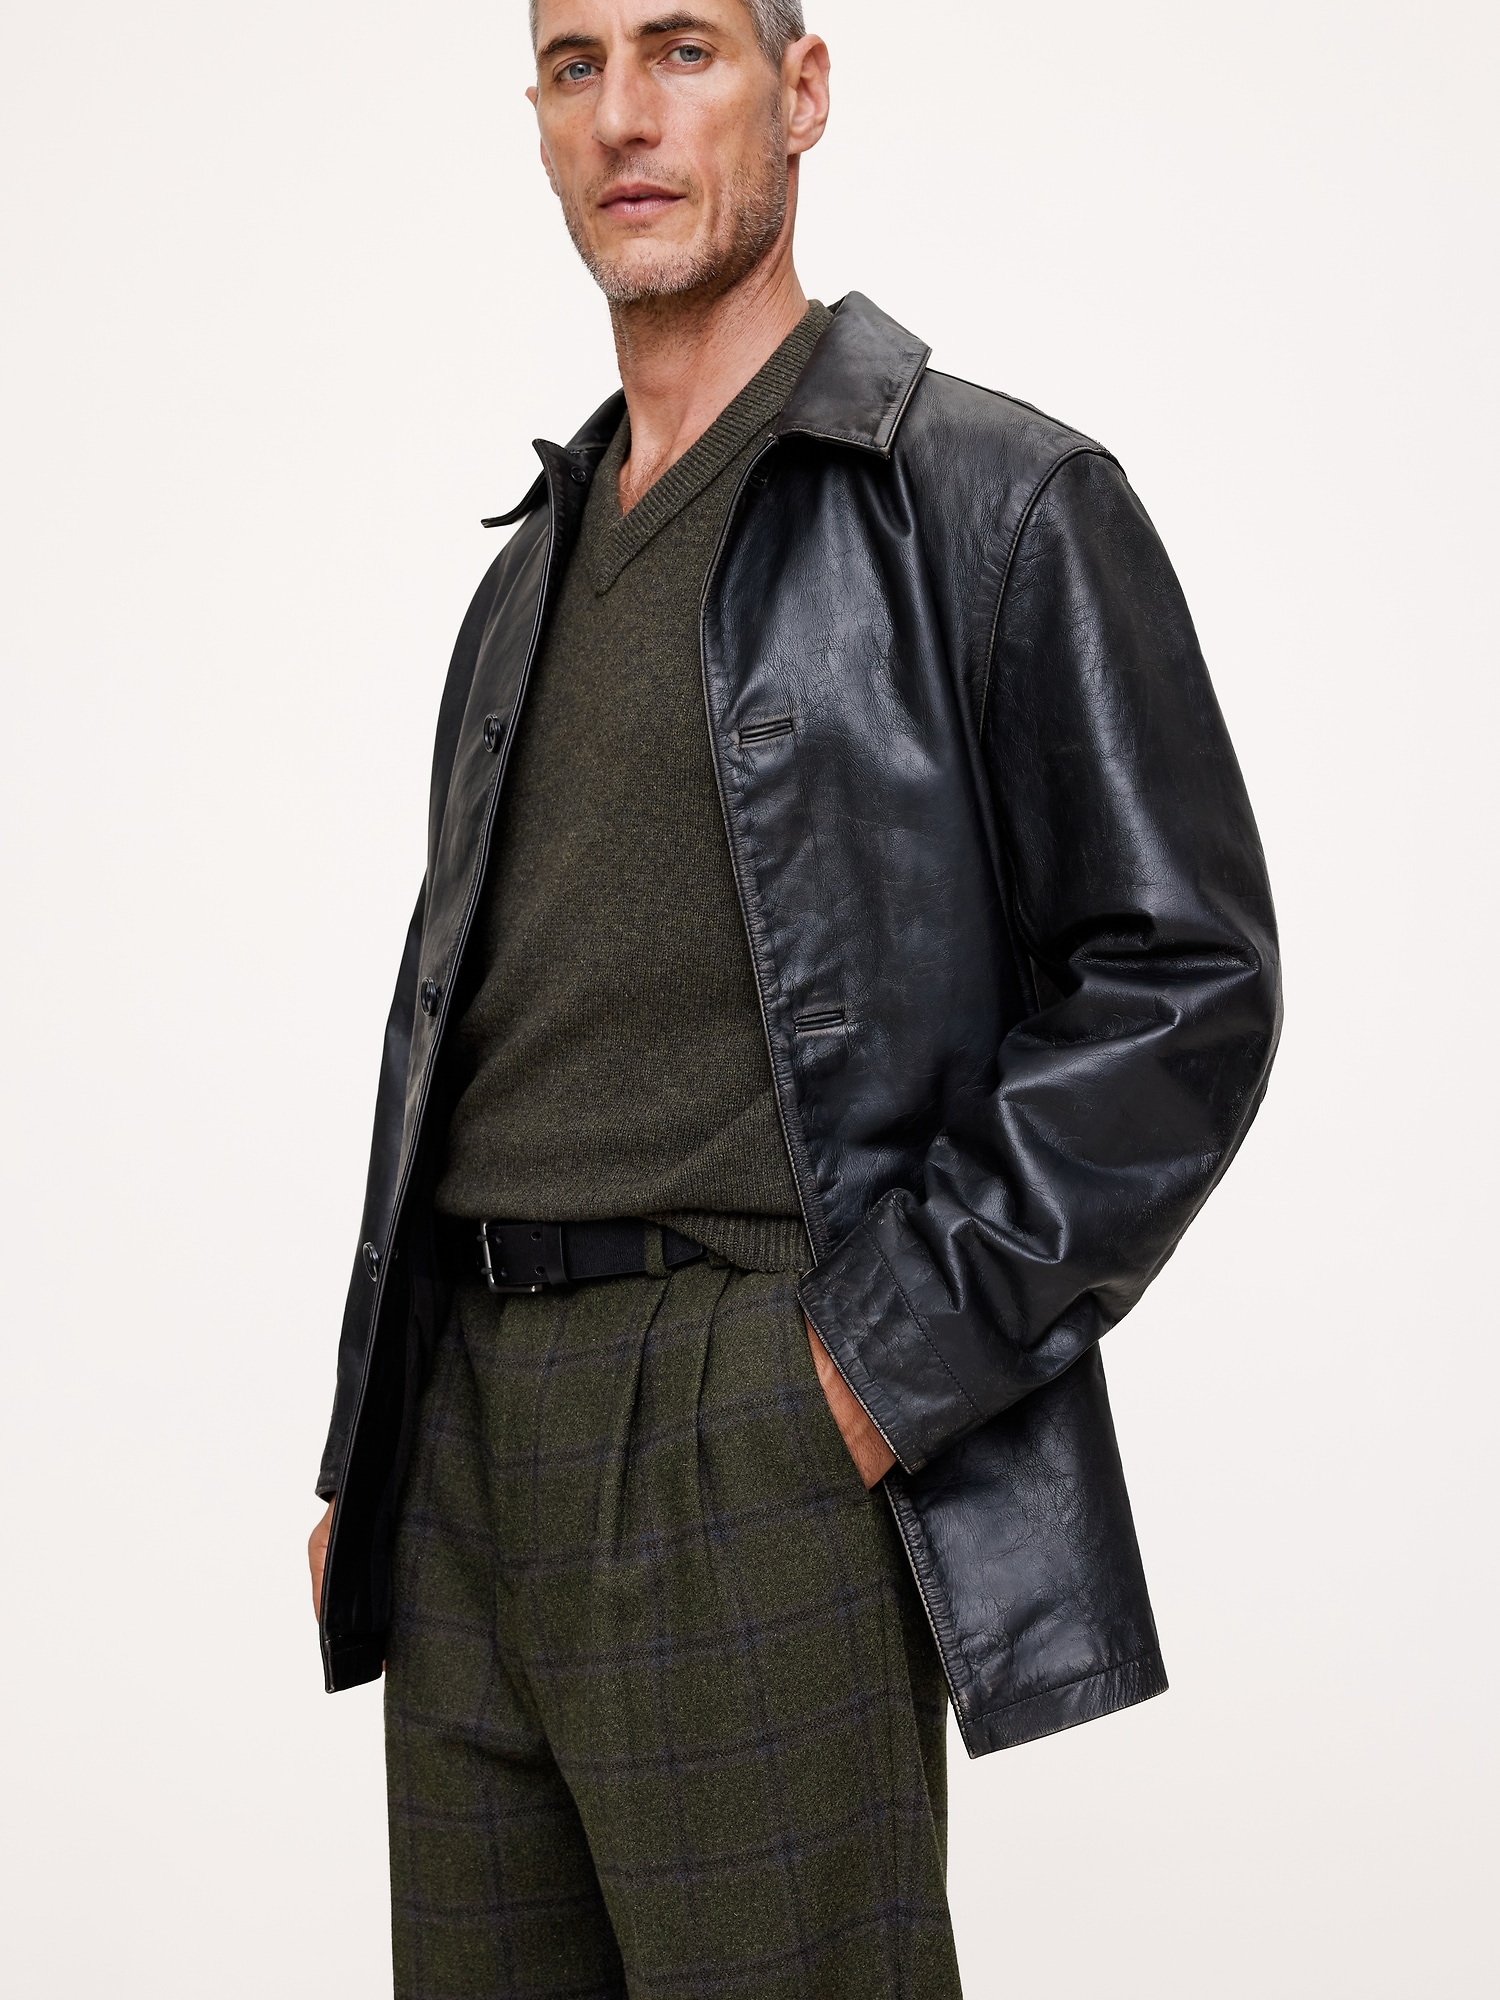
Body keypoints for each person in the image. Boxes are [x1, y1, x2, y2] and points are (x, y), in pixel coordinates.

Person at [308, 2, 1281, 1992]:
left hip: (745, 1414)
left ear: (804, 90)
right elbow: (471, 1029)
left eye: (683, 49)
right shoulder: (529, 568)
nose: (625, 115)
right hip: (464, 1447)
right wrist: (372, 1433)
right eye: (575, 64)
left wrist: (866, 1367)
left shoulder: (989, 498)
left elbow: (1187, 983)